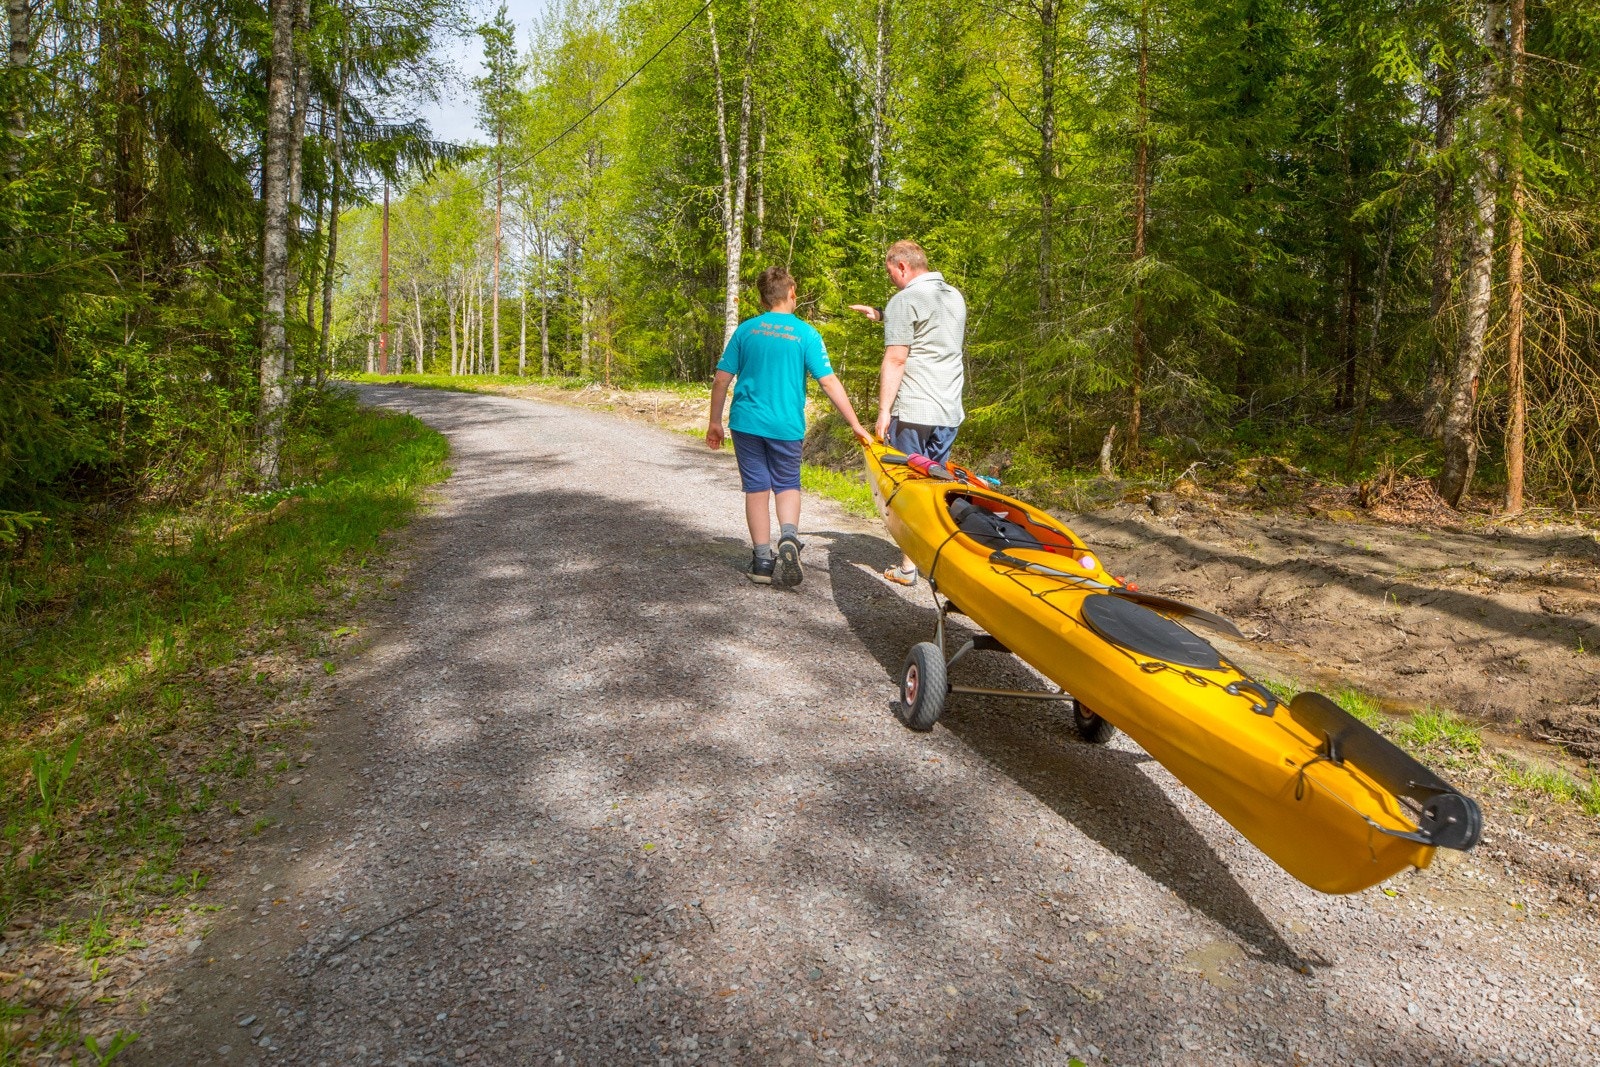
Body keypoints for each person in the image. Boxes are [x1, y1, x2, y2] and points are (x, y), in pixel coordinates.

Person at [708, 266, 867, 585]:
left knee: (756, 489)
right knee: (787, 484)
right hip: (786, 425)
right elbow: (828, 382)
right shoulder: (806, 334)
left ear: (763, 297)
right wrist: (855, 424)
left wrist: (714, 422)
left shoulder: (746, 331)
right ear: (791, 293)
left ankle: (762, 562)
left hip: (747, 423)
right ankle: (789, 536)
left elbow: (722, 380)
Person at [848, 239, 968, 587]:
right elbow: (931, 331)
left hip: (915, 406)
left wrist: (884, 411)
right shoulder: (953, 296)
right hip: (948, 410)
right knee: (933, 485)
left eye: (891, 273)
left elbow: (897, 358)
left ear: (902, 267)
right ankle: (929, 560)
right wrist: (883, 316)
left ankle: (907, 567)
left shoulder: (905, 299)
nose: (891, 281)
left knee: (905, 486)